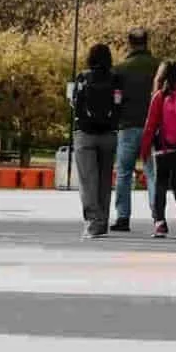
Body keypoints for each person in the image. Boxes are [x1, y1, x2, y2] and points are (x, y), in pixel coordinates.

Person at [68, 42, 123, 238]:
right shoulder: (115, 78)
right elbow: (119, 104)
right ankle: (103, 221)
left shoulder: (82, 77)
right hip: (108, 134)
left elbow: (74, 102)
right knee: (104, 180)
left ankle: (92, 220)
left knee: (87, 181)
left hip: (85, 134)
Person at [140, 59, 176, 238]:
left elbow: (150, 125)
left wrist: (144, 151)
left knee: (160, 184)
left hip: (164, 148)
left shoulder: (160, 96)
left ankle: (160, 223)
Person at [110, 28, 158, 232]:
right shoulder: (158, 67)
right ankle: (158, 216)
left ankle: (123, 217)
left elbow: (115, 99)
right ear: (147, 42)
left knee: (123, 173)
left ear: (129, 43)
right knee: (153, 172)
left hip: (127, 126)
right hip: (153, 127)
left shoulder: (120, 69)